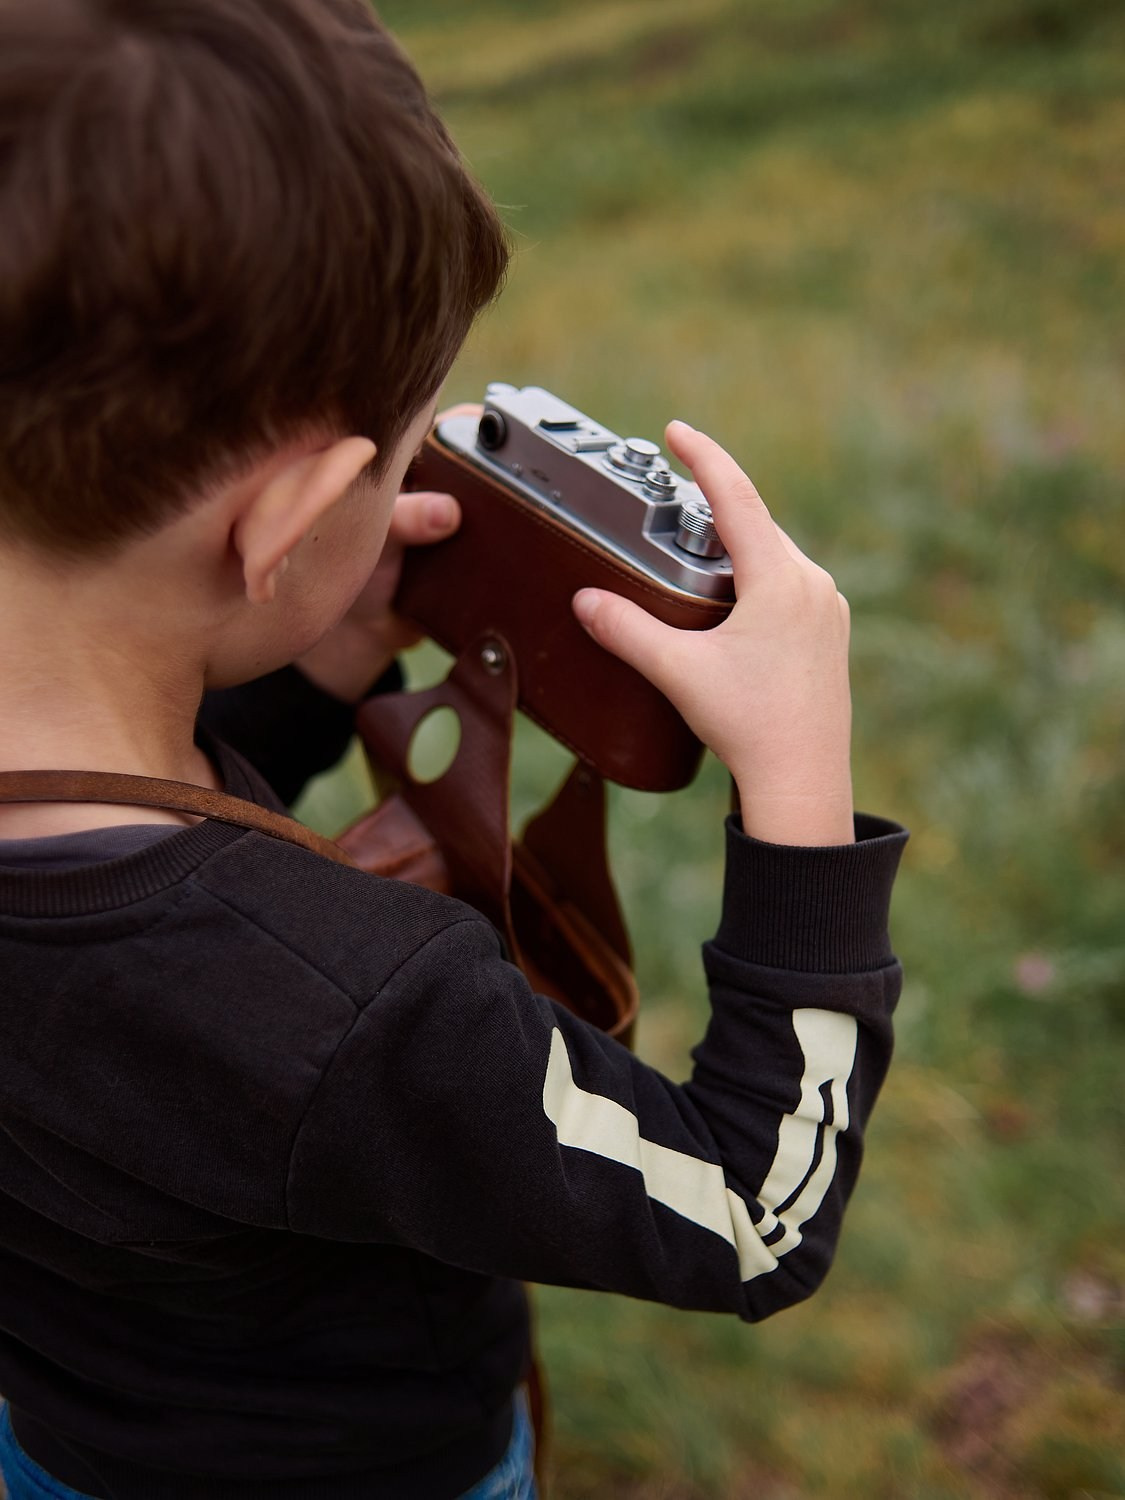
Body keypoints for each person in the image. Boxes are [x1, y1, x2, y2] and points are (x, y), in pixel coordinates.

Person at [0, 1, 907, 1497]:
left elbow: (110, 919)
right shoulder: (354, 1012)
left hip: (58, 1439)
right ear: (288, 521)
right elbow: (750, 1210)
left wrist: (301, 666)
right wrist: (797, 796)